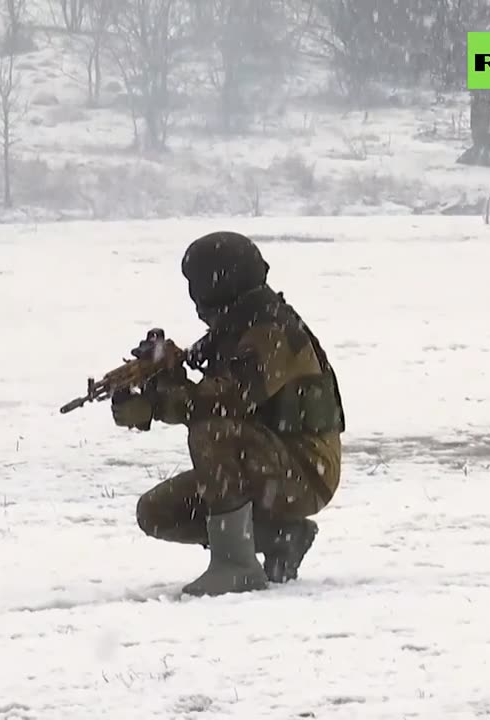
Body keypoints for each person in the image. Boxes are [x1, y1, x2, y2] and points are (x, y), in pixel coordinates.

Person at [111, 231, 345, 597]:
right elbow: (200, 377)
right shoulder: (238, 324)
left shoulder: (271, 331)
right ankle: (282, 536)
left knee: (211, 432)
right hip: (269, 463)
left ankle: (236, 566)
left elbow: (221, 402)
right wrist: (161, 371)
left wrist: (156, 404)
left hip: (305, 471)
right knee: (157, 511)